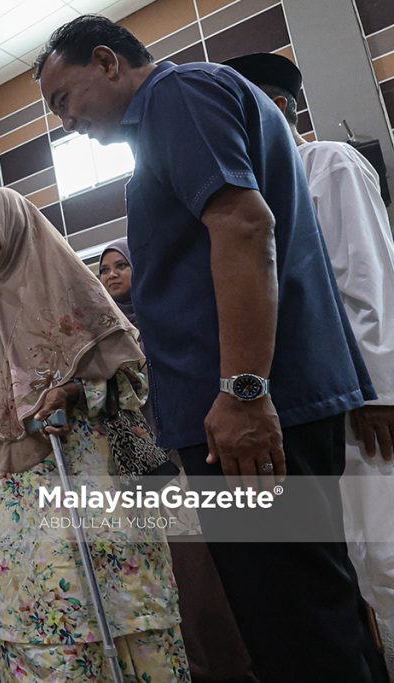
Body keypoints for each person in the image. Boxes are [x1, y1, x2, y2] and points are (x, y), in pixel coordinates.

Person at [35, 15, 383, 682]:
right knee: (309, 611)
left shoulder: (177, 96)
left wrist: (243, 391)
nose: (66, 121)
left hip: (247, 415)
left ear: (107, 62)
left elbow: (244, 226)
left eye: (64, 99)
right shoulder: (182, 109)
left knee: (292, 624)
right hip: (251, 408)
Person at [0, 186, 188, 682]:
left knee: (119, 607)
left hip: (88, 479)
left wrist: (74, 391)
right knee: (36, 618)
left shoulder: (73, 290)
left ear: (10, 225)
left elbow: (132, 378)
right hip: (14, 499)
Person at [223, 54, 394, 646]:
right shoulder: (254, 191)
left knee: (386, 556)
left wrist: (381, 393)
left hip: (364, 403)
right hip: (317, 400)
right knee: (355, 566)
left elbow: (367, 281)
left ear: (276, 109)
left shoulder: (328, 163)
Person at [99, 240, 256, 683]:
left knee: (200, 570)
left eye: (122, 265)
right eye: (104, 269)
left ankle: (228, 668)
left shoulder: (161, 321)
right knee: (164, 574)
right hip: (139, 468)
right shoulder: (103, 335)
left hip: (181, 456)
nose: (111, 275)